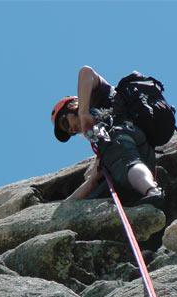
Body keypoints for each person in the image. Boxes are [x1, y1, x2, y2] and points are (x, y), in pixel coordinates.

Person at [51, 66, 163, 207]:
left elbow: (86, 71)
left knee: (124, 162)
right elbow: (92, 182)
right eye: (69, 132)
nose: (70, 129)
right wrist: (64, 206)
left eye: (65, 122)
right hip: (143, 149)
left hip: (123, 138)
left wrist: (83, 112)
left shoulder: (96, 97)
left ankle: (151, 189)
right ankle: (149, 189)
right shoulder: (100, 137)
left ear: (70, 106)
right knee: (110, 179)